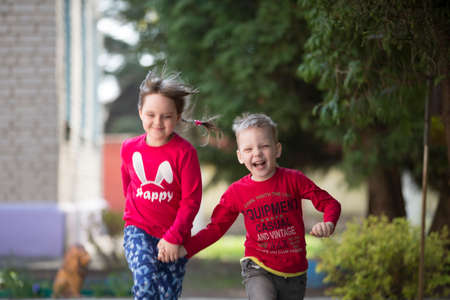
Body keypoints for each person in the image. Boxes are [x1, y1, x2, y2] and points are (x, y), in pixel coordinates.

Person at [175, 113, 341, 300]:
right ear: (239, 156)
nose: (257, 153)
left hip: (295, 272)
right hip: (258, 267)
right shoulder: (236, 192)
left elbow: (330, 203)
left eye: (264, 146)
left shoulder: (294, 180)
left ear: (277, 149)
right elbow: (215, 229)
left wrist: (329, 223)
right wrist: (186, 249)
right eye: (248, 149)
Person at [120, 69, 218, 300]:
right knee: (145, 286)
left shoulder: (185, 153)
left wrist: (174, 237)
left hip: (174, 237)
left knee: (167, 295)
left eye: (166, 116)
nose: (158, 122)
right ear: (140, 113)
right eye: (151, 114)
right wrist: (135, 215)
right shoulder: (129, 148)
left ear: (177, 116)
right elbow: (129, 185)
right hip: (138, 231)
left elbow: (191, 201)